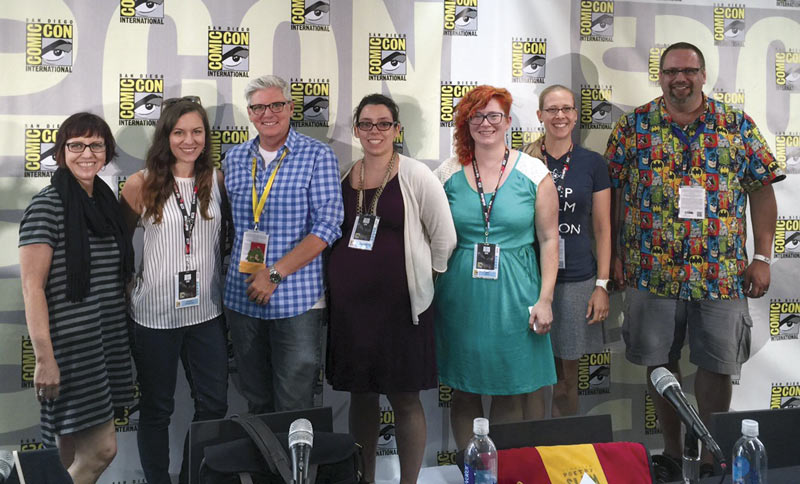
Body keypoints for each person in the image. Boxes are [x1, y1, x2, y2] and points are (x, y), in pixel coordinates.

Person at [605, 42, 784, 481]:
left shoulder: (736, 125)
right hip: (651, 270)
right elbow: (612, 194)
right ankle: (670, 452)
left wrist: (762, 256)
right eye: (670, 71)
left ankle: (709, 454)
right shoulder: (634, 126)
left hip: (720, 273)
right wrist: (613, 256)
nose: (679, 78)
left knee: (717, 365)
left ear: (703, 75)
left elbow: (762, 191)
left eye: (688, 70)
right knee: (659, 365)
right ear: (660, 75)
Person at [326, 94, 456, 483]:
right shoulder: (346, 174)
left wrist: (423, 283)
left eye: (384, 123)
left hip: (402, 311)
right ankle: (365, 477)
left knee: (405, 398)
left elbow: (444, 238)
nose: (375, 131)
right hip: (351, 312)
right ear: (356, 130)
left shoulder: (416, 175)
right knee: (361, 397)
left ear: (397, 130)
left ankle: (408, 481)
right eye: (366, 124)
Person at [433, 85, 560, 449]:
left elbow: (550, 239)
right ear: (466, 121)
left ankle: (503, 471)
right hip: (460, 294)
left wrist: (546, 299)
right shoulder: (447, 172)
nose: (485, 123)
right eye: (477, 116)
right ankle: (469, 472)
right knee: (463, 389)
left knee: (509, 390)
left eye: (494, 116)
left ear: (507, 122)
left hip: (518, 292)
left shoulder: (534, 172)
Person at [19, 112, 135, 484]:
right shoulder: (48, 205)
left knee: (70, 454)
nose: (87, 153)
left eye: (96, 144)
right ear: (61, 151)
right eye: (76, 145)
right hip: (71, 350)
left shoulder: (104, 203)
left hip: (105, 340)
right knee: (103, 450)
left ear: (107, 151)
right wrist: (44, 358)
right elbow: (32, 288)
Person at [120, 97, 228, 484]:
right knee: (156, 409)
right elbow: (118, 246)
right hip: (153, 318)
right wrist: (135, 282)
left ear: (205, 136)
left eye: (196, 132)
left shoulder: (216, 180)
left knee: (214, 404)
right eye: (179, 132)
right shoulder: (140, 183)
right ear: (166, 135)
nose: (188, 140)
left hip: (206, 315)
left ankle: (190, 479)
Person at [223, 75, 344, 414]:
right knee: (257, 399)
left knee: (294, 401)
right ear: (250, 113)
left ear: (291, 108)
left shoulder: (317, 155)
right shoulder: (234, 159)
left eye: (276, 105)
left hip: (296, 299)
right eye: (259, 107)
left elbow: (328, 225)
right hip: (242, 296)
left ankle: (295, 470)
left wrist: (274, 274)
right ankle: (264, 468)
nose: (268, 113)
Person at [522, 85, 611, 417]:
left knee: (566, 381)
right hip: (528, 279)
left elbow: (602, 229)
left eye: (566, 109)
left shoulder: (592, 163)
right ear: (540, 115)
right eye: (552, 109)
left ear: (575, 115)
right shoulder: (522, 160)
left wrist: (602, 286)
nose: (559, 116)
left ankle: (562, 453)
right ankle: (531, 452)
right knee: (528, 379)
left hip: (576, 282)